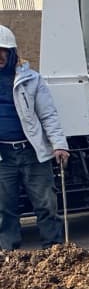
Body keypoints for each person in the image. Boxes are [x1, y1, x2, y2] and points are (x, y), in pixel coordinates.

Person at [0, 24, 69, 250]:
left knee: (46, 203)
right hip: (3, 156)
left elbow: (48, 114)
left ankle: (55, 250)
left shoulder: (31, 79)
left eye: (2, 51)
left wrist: (59, 144)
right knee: (4, 208)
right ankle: (8, 253)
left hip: (32, 151)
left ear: (12, 52)